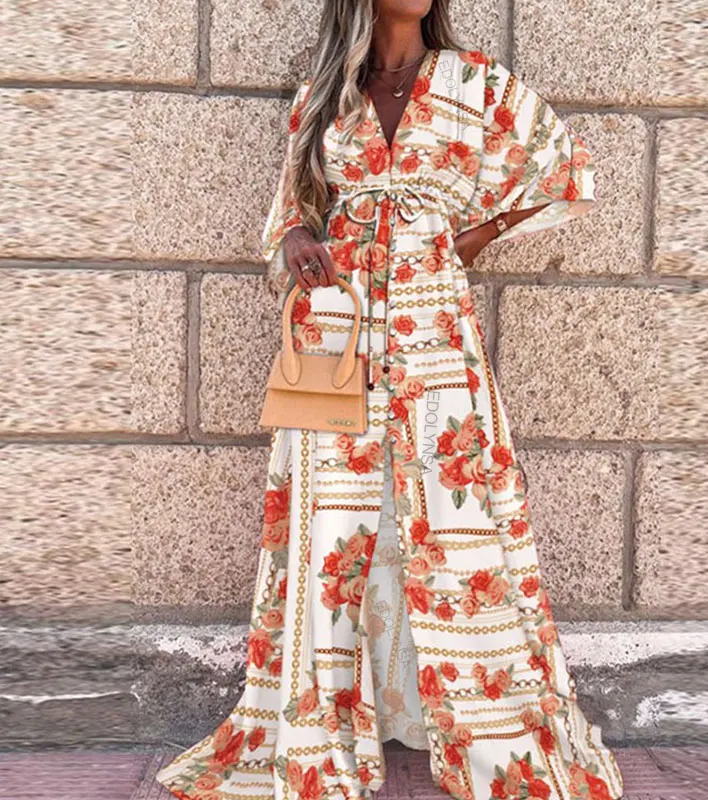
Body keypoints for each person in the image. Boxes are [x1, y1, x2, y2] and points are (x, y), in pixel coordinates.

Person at [157, 1, 623, 799]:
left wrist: (464, 239)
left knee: (454, 518)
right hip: (334, 338)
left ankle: (483, 727)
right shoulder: (324, 95)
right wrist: (298, 239)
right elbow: (287, 218)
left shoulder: (476, 83)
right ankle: (325, 730)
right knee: (331, 529)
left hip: (434, 332)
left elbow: (565, 169)